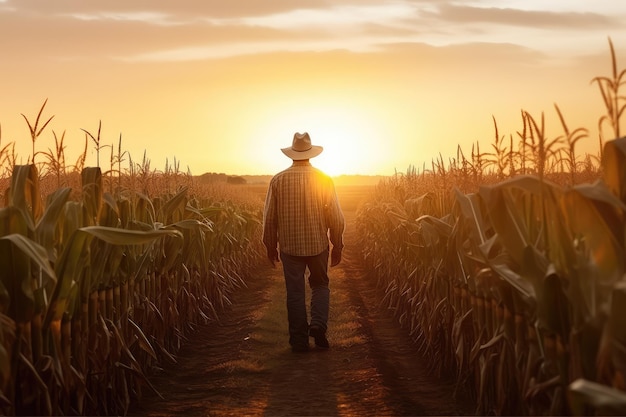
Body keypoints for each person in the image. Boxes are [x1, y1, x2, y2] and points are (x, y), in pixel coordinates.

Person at [262, 132, 345, 353]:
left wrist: (270, 246)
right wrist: (337, 243)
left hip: (290, 247)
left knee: (295, 292)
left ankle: (298, 341)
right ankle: (318, 326)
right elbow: (336, 215)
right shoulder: (324, 179)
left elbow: (270, 217)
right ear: (310, 154)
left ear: (292, 154)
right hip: (318, 244)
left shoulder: (278, 179)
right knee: (320, 285)